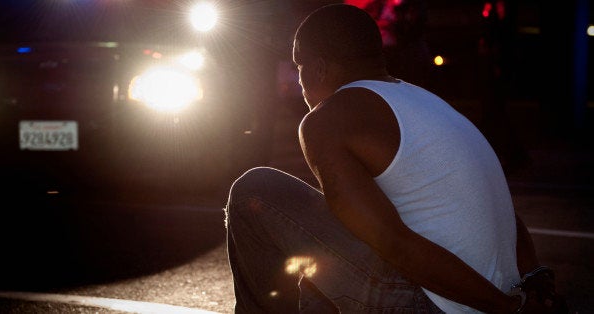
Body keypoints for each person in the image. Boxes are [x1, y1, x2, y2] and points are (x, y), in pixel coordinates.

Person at [224, 4, 565, 313]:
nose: (298, 81)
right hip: (492, 296)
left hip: (438, 305)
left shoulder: (329, 118)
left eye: (298, 66)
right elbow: (503, 209)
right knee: (326, 247)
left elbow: (393, 243)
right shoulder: (429, 103)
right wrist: (532, 282)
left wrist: (508, 311)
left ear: (318, 68)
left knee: (253, 189)